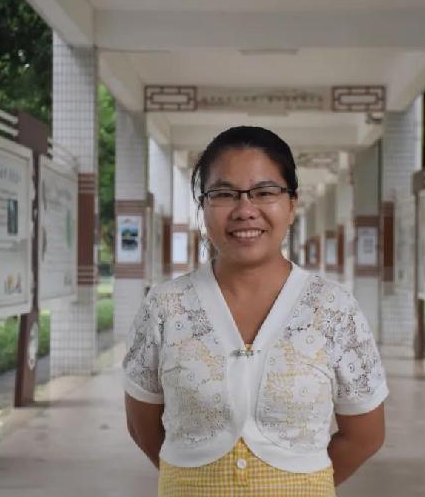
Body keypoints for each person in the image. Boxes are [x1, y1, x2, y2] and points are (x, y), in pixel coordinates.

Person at [123, 126, 388, 496]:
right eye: (224, 194)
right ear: (203, 206)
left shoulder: (333, 309)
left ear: (292, 205)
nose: (245, 210)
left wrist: (301, 485)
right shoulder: (165, 307)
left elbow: (365, 435)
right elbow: (143, 427)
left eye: (265, 192)